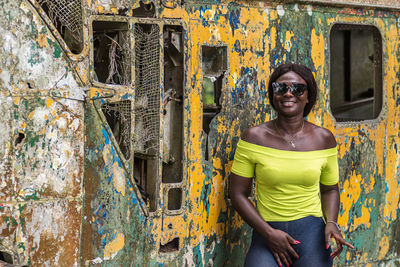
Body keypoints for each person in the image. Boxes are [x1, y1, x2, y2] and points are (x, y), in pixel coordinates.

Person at [229, 63, 354, 267]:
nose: (289, 94)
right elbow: (238, 194)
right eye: (281, 87)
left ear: (308, 96)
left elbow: (330, 189)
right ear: (273, 94)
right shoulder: (253, 138)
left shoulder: (324, 139)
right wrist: (269, 233)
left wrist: (331, 222)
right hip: (266, 234)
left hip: (312, 235)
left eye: (297, 88)